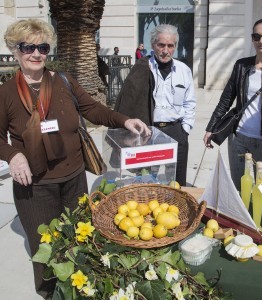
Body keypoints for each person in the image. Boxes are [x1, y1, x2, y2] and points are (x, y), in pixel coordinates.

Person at [0, 19, 151, 299]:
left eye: (42, 47)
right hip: (34, 187)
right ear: (15, 49)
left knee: (79, 242)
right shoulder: (5, 93)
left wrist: (125, 119)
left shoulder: (64, 81)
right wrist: (13, 154)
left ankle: (81, 290)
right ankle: (51, 294)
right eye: (28, 47)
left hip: (73, 180)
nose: (36, 54)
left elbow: (93, 109)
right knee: (46, 250)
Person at [203, 19, 262, 190]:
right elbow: (226, 99)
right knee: (238, 186)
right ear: (252, 39)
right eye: (256, 36)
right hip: (239, 137)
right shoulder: (242, 66)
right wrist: (211, 127)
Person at [114, 24, 196, 186]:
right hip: (150, 131)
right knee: (148, 182)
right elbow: (128, 101)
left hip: (176, 130)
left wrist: (185, 129)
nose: (165, 50)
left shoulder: (183, 70)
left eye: (170, 45)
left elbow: (190, 102)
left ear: (175, 47)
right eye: (161, 45)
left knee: (178, 184)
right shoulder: (143, 68)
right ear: (153, 45)